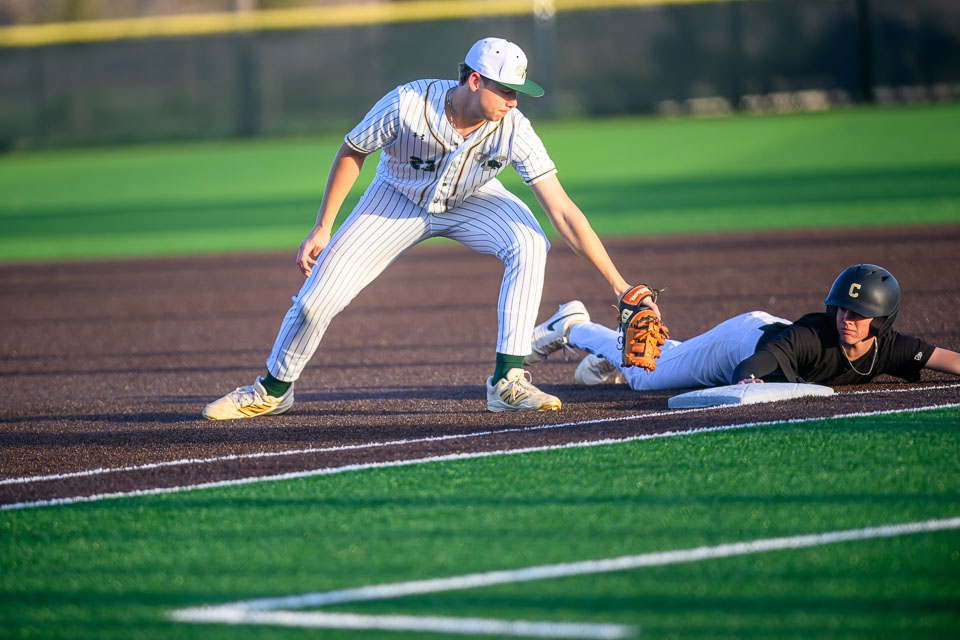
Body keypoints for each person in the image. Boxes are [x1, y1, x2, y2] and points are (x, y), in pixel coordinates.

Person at [202, 37, 654, 419]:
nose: (514, 102)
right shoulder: (407, 105)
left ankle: (508, 382)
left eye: (518, 93)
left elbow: (563, 210)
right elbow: (353, 150)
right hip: (394, 199)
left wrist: (619, 285)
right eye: (506, 91)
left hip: (473, 200)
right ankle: (273, 391)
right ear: (475, 81)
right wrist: (323, 226)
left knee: (530, 241)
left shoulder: (514, 128)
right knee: (314, 302)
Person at [525, 264, 960, 390]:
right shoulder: (812, 337)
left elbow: (947, 359)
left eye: (860, 315)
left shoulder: (890, 347)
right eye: (842, 310)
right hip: (741, 343)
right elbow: (749, 369)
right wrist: (750, 380)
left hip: (762, 337)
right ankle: (574, 325)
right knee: (644, 377)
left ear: (881, 323)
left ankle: (613, 353)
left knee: (672, 358)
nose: (848, 320)